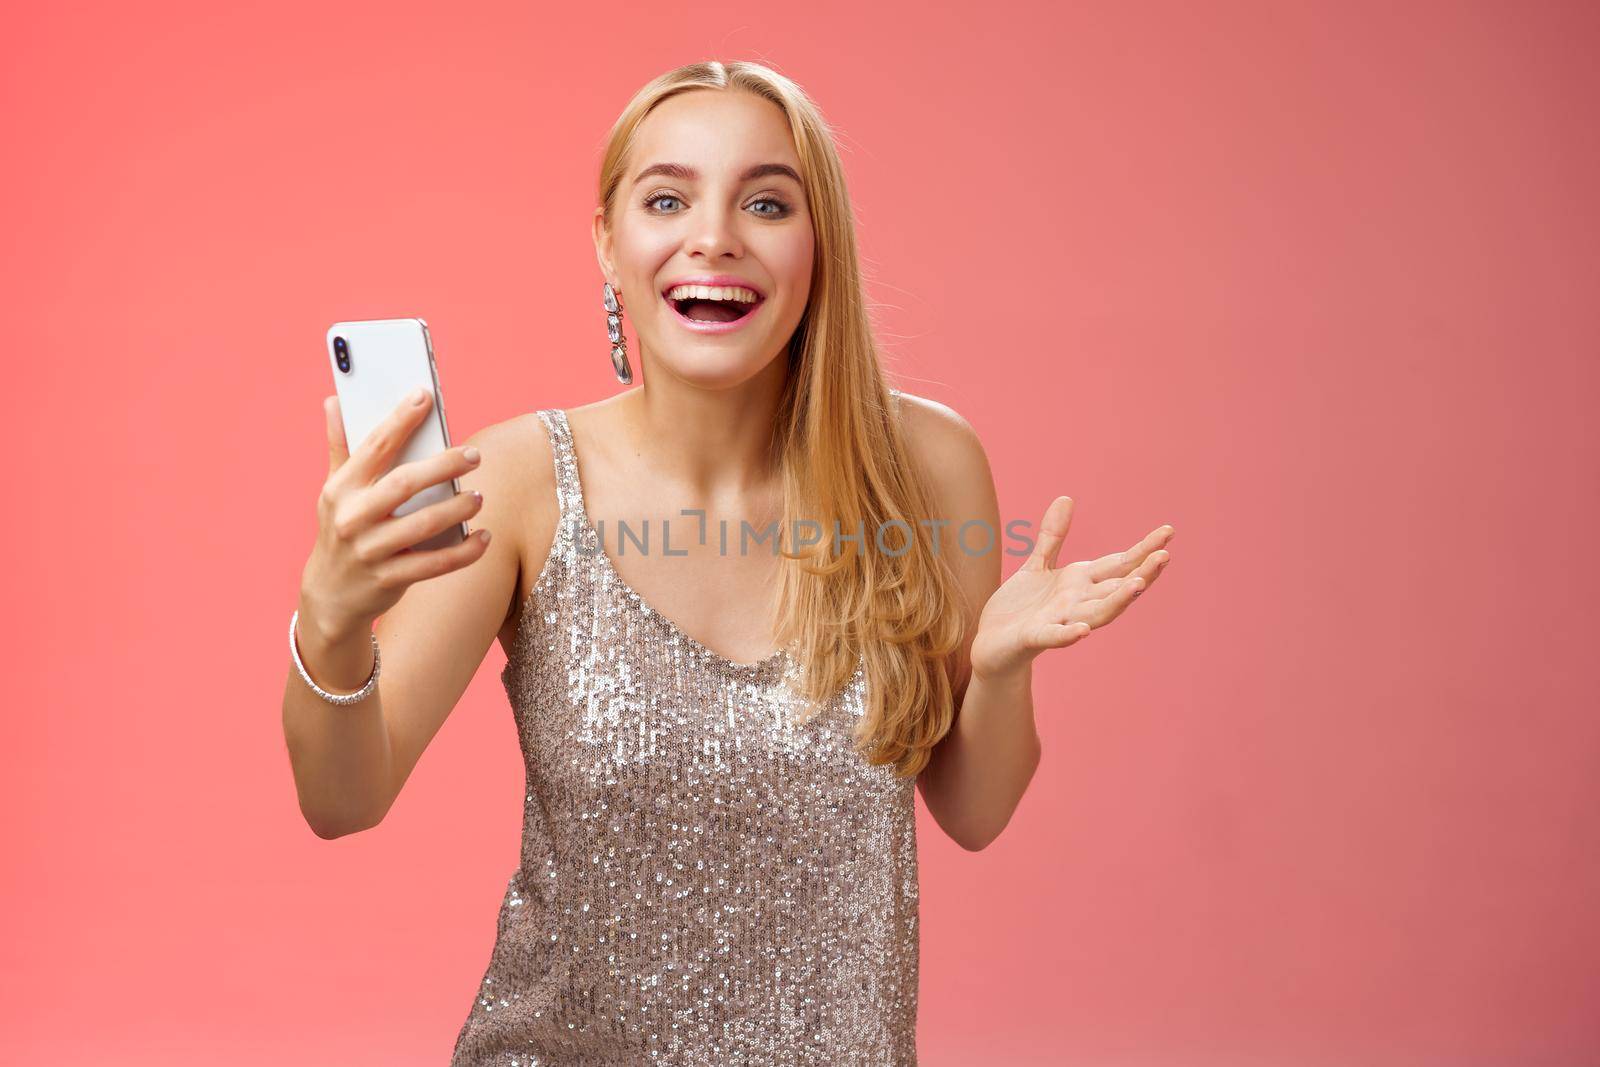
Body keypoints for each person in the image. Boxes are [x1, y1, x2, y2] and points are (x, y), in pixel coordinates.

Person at [281, 59, 1173, 1066]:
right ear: (609, 246)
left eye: (765, 201)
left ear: (818, 244)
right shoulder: (524, 480)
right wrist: (331, 617)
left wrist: (1001, 667)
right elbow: (341, 801)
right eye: (667, 198)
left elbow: (972, 807)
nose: (714, 235)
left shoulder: (924, 468)